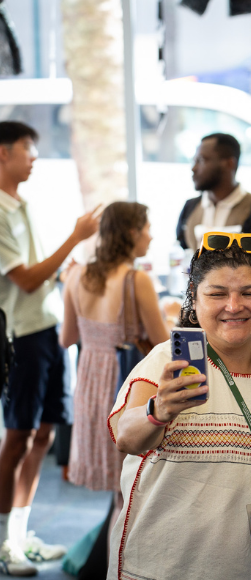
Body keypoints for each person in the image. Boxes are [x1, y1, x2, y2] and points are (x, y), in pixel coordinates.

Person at [107, 232, 251, 580]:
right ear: (194, 303)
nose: (233, 306)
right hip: (165, 569)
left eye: (250, 292)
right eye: (216, 294)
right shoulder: (164, 362)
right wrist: (159, 410)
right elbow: (126, 437)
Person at [0, 121, 100, 577]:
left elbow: (47, 271)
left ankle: (18, 535)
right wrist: (75, 238)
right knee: (18, 436)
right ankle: (5, 541)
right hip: (20, 336)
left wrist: (73, 267)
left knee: (42, 435)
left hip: (48, 329)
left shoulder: (25, 204)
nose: (34, 157)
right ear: (3, 154)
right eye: (27, 148)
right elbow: (25, 278)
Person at [59, 203, 170, 532]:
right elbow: (163, 344)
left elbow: (67, 338)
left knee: (115, 485)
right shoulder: (136, 280)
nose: (151, 235)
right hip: (125, 382)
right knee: (128, 488)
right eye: (147, 227)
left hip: (90, 382)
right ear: (132, 232)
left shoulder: (76, 274)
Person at [176, 133, 251, 269]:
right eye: (194, 161)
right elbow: (182, 258)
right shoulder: (190, 208)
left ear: (229, 163)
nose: (194, 168)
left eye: (202, 160)